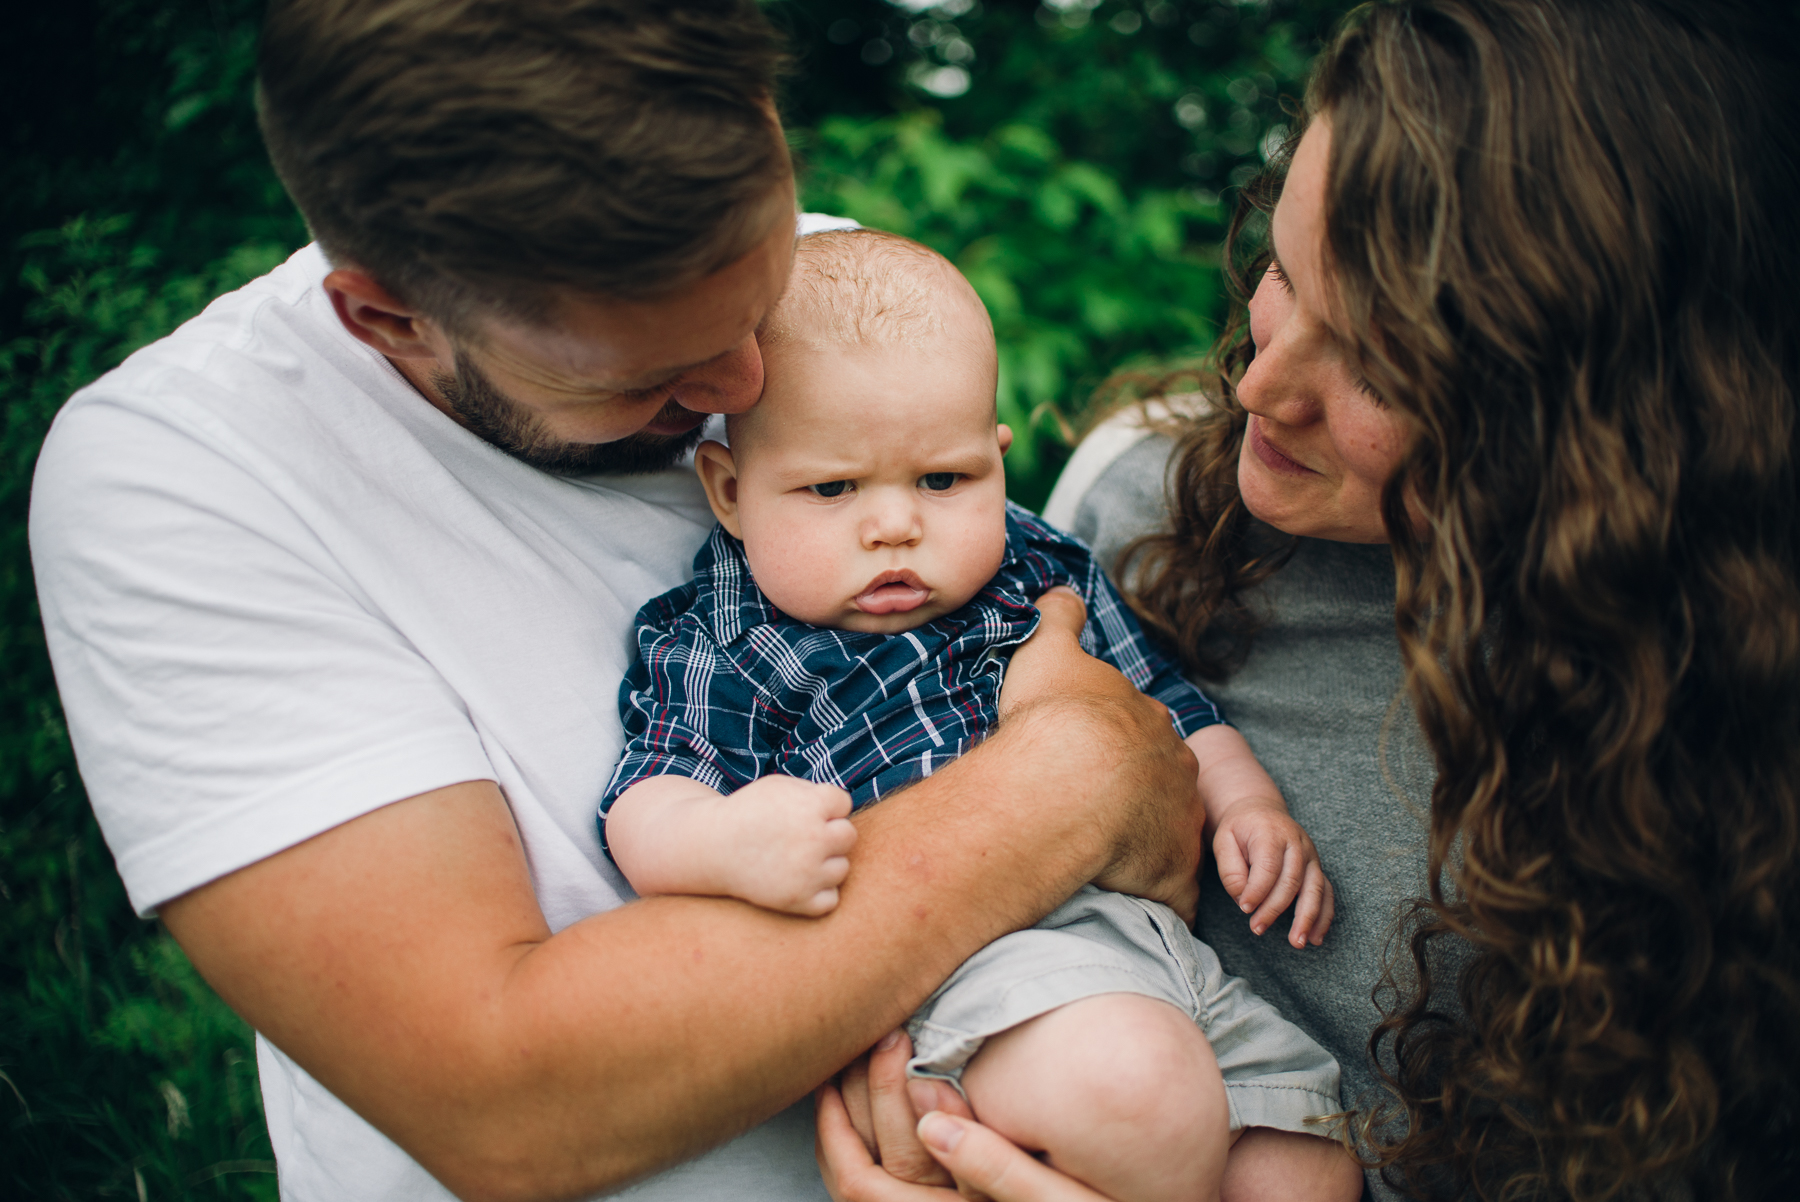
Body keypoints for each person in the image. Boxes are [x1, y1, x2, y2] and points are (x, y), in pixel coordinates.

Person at [26, 3, 1220, 1200]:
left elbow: (1159, 842)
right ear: (390, 316)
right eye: (654, 376)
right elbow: (505, 1100)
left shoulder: (829, 284)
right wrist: (1073, 775)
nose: (745, 384)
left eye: (752, 308)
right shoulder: (192, 472)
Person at [818, 1, 1800, 1200]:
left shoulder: (1737, 730)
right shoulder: (1139, 505)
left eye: (1387, 362)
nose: (1260, 383)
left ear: (1603, 422)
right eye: (1282, 269)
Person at [598, 229, 1360, 1202]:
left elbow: (1168, 700)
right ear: (731, 491)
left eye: (943, 479)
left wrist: (1247, 800)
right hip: (971, 973)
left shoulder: (1040, 566)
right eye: (832, 488)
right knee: (1137, 1094)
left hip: (1161, 948)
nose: (894, 523)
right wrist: (720, 838)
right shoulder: (728, 633)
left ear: (998, 462)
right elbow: (648, 792)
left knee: (1312, 1168)